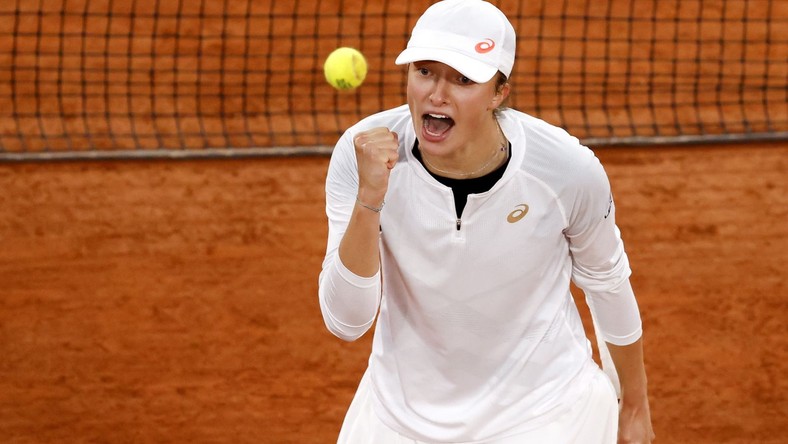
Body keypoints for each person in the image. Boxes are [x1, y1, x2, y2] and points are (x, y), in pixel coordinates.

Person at [318, 0, 655, 442]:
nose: (438, 95)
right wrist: (370, 200)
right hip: (399, 416)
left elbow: (607, 284)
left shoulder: (566, 171)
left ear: (499, 93)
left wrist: (635, 404)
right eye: (425, 71)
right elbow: (346, 321)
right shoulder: (361, 154)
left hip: (545, 412)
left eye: (463, 79)